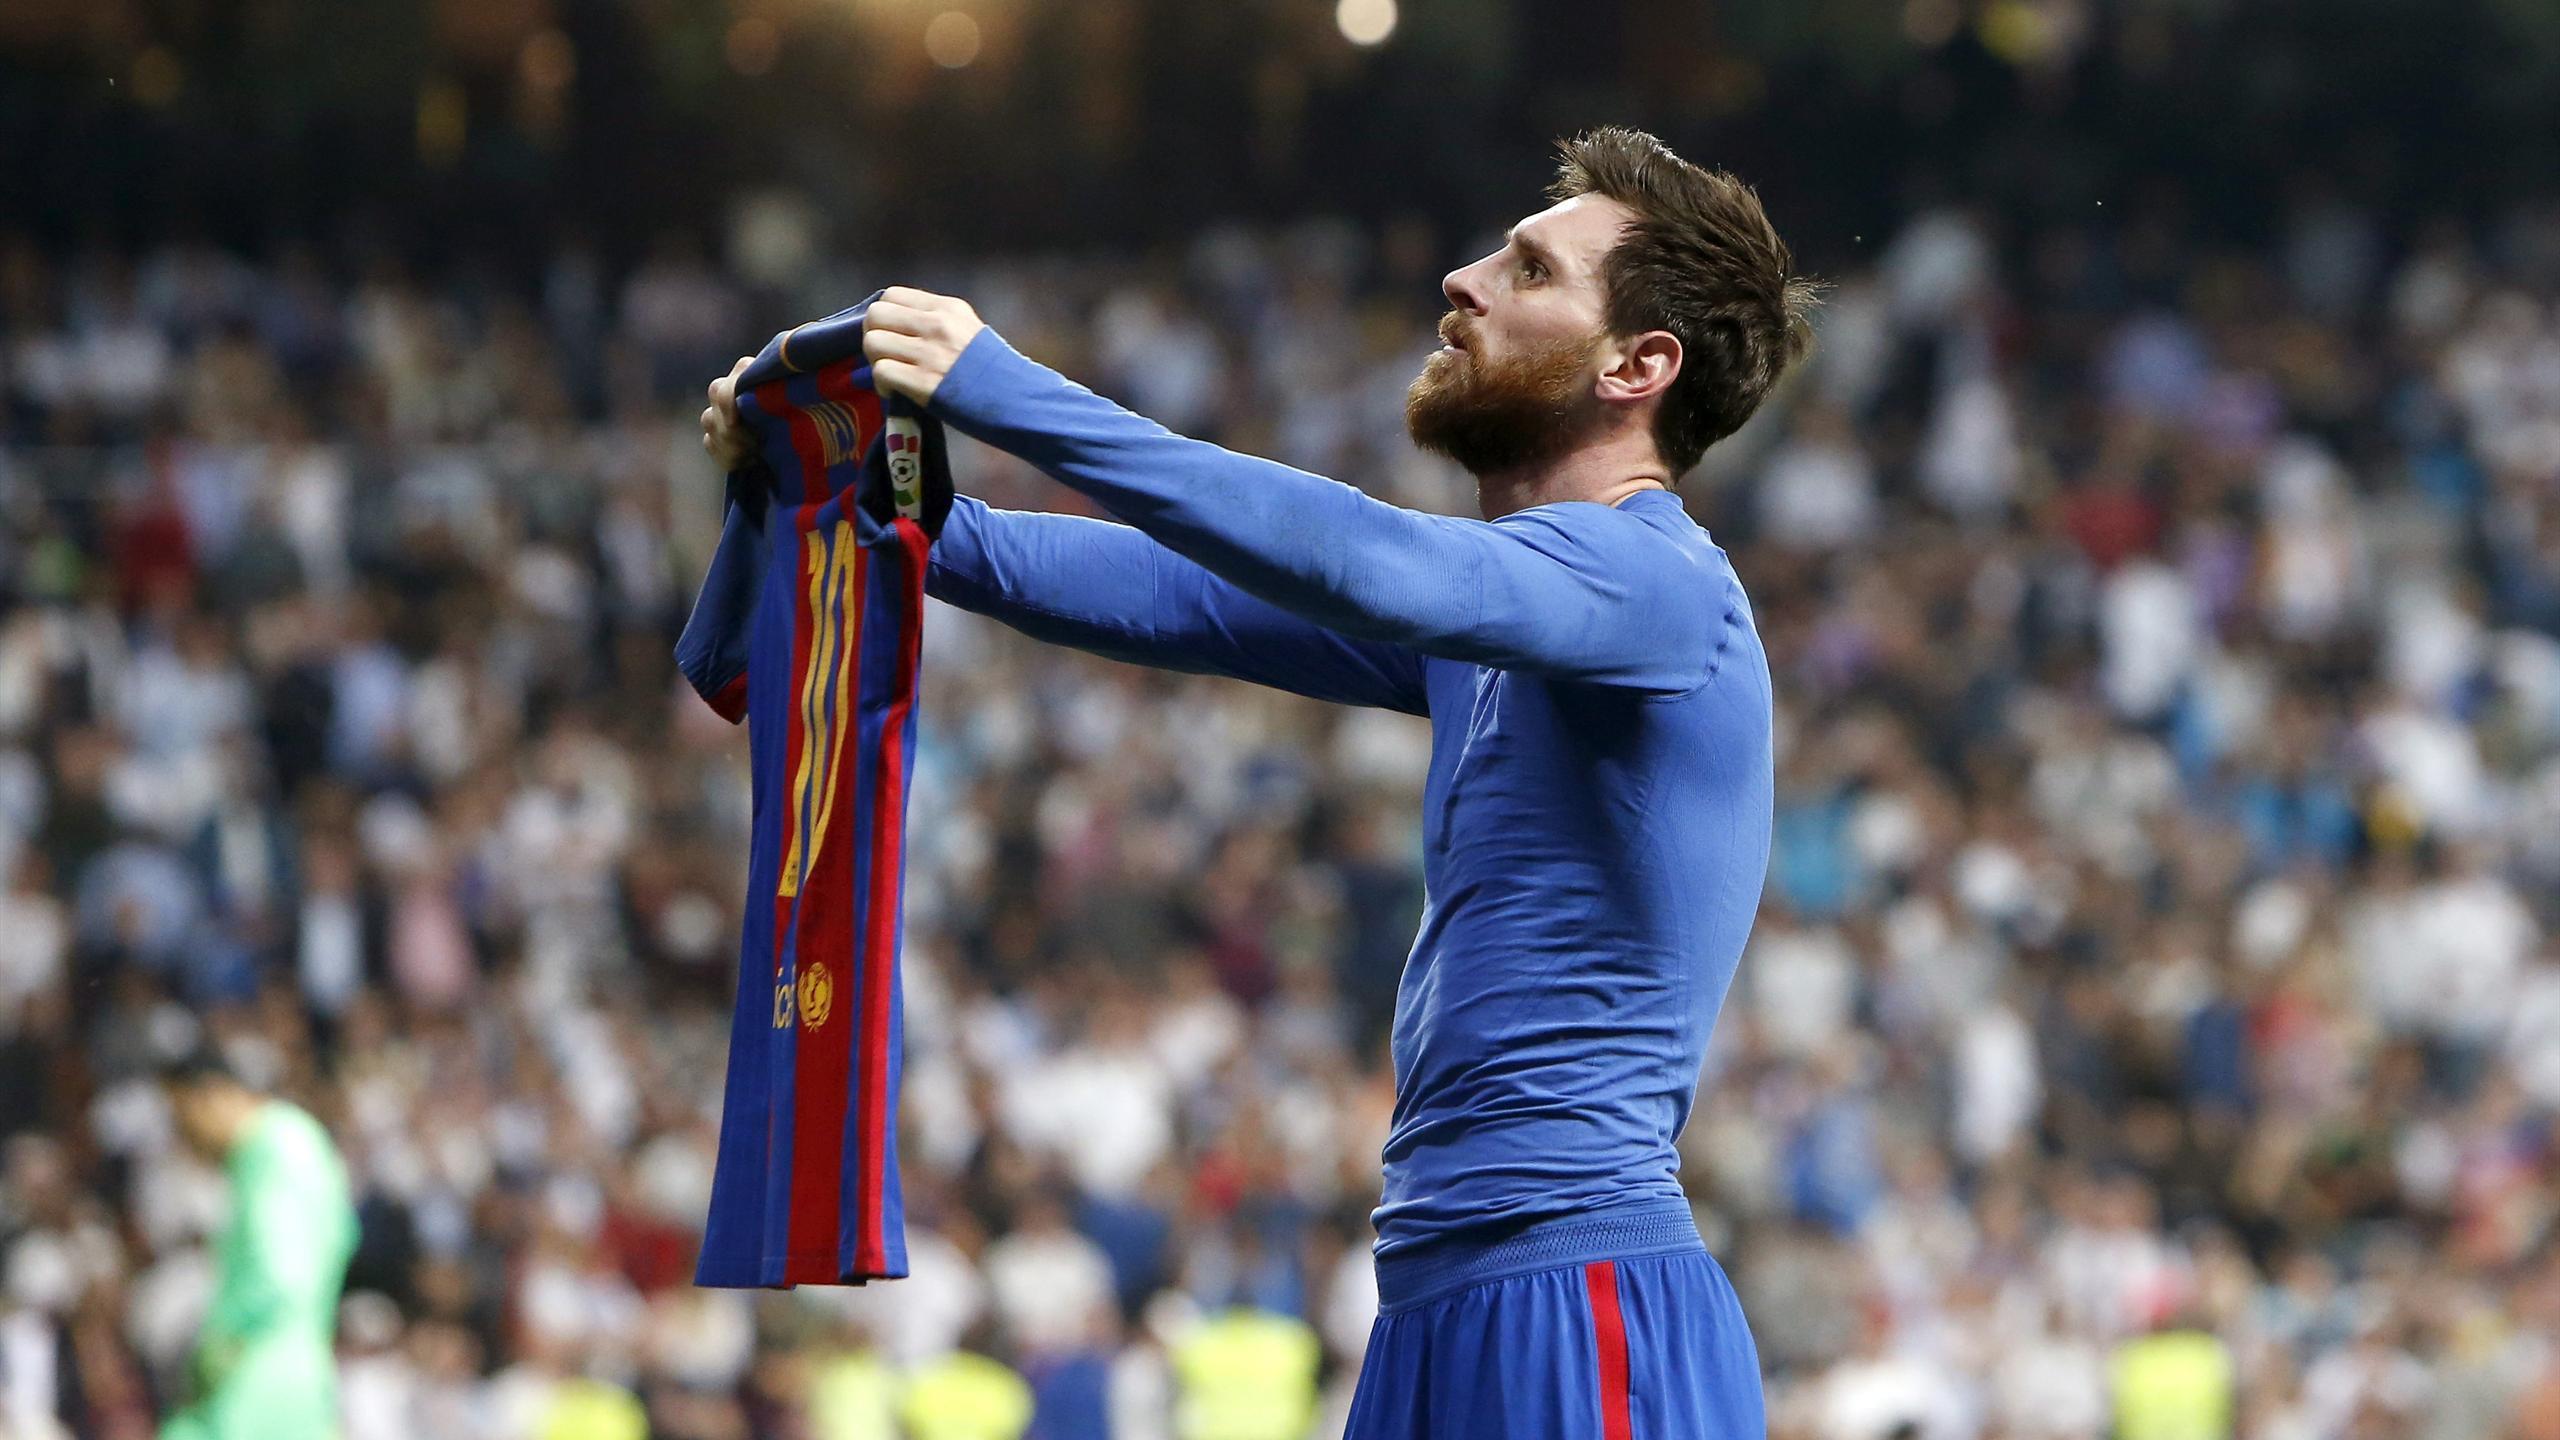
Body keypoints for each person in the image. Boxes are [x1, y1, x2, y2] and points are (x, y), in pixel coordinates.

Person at [704, 124, 1815, 1439]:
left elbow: (1365, 562)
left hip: (1585, 1300)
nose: (1461, 280)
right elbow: (1177, 596)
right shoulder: (1506, 618)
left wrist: (1002, 388)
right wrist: (865, 496)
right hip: (1438, 1295)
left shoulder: (1657, 585)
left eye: (1527, 271)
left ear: (1639, 366)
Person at [157, 1043, 359, 1440]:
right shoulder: (282, 1146)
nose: (182, 1134)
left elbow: (280, 1272)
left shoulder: (275, 1147)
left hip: (262, 1370)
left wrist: (221, 1342)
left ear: (212, 1095)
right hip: (299, 1370)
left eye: (181, 1115)